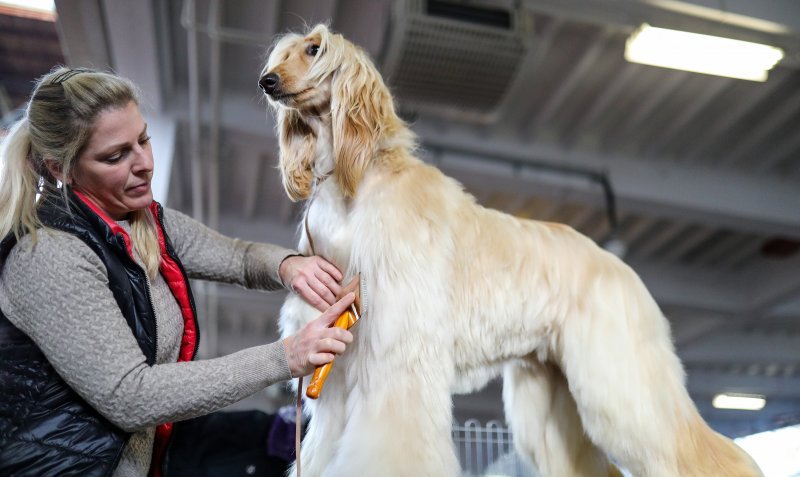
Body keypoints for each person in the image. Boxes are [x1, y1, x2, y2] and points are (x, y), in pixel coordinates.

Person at [0, 66, 354, 477]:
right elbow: (131, 395)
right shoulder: (49, 257)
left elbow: (239, 258)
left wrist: (289, 266)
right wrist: (285, 357)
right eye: (115, 156)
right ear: (60, 169)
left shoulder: (142, 222)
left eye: (144, 140)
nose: (144, 163)